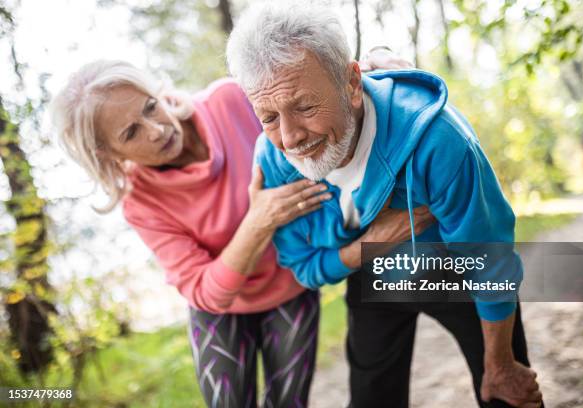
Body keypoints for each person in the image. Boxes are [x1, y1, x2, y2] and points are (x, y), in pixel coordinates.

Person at [49, 54, 425, 407]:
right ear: (108, 154)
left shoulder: (229, 100)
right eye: (131, 132)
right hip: (220, 308)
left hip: (288, 284)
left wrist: (374, 61)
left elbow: (305, 97)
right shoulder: (141, 202)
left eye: (150, 106)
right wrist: (259, 220)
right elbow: (202, 289)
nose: (157, 128)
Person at [226, 2, 543, 408]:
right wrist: (370, 244)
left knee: (507, 390)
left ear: (352, 84)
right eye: (268, 116)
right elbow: (303, 266)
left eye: (304, 107)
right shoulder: (273, 161)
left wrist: (500, 365)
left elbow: (490, 259)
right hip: (373, 269)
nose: (289, 138)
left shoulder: (439, 138)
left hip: (452, 265)